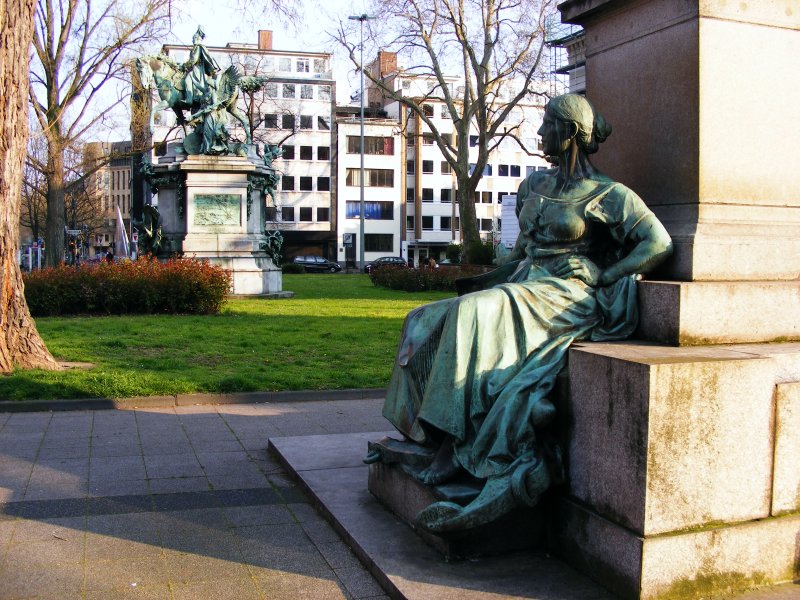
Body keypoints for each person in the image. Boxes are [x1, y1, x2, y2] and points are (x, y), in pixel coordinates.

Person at [375, 94, 673, 534]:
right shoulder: (532, 186)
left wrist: (605, 272)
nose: (539, 134)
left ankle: (452, 449)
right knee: (423, 317)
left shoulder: (611, 195)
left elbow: (658, 243)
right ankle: (426, 432)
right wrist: (486, 278)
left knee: (473, 313)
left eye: (547, 125)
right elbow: (517, 253)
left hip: (567, 293)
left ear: (569, 132)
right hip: (524, 282)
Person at [182, 26, 219, 108]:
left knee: (187, 79)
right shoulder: (196, 48)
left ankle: (189, 98)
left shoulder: (198, 47)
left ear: (197, 38)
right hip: (196, 69)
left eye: (193, 38)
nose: (192, 40)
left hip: (196, 70)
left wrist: (185, 65)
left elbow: (194, 59)